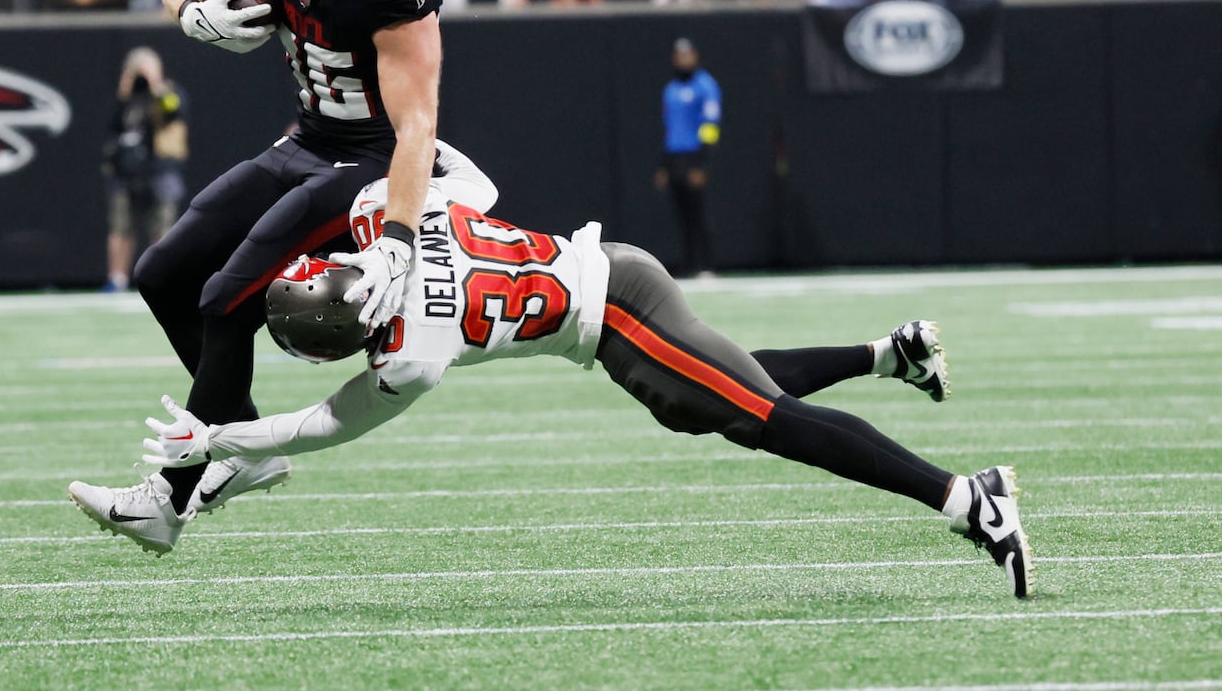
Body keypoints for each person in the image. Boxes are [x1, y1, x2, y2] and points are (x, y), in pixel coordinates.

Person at [108, 151, 1033, 600]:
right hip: (610, 289)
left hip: (615, 309)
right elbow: (472, 179)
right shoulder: (379, 222)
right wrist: (404, 203)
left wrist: (218, 435)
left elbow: (319, 428)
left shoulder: (411, 357)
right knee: (708, 403)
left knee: (760, 416)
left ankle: (965, 496)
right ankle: (891, 354)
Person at [72, 0, 445, 523]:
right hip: (304, 141)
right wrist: (193, 16)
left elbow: (417, 125)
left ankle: (167, 498)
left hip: (366, 160)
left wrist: (396, 237)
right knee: (162, 272)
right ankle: (246, 450)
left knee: (223, 301)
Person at [102, 47, 189, 292]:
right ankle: (116, 279)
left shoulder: (170, 92)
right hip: (125, 172)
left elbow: (175, 112)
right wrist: (125, 93)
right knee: (121, 227)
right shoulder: (126, 98)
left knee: (162, 229)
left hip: (160, 170)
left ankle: (160, 279)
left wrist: (156, 86)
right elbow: (111, 126)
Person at [655, 37, 721, 277]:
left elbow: (711, 126)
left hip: (694, 155)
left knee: (699, 213)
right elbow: (669, 128)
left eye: (688, 54)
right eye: (679, 55)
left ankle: (706, 265)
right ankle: (690, 264)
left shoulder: (706, 86)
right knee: (681, 215)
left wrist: (701, 164)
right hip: (674, 157)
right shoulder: (670, 90)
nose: (683, 59)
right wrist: (663, 165)